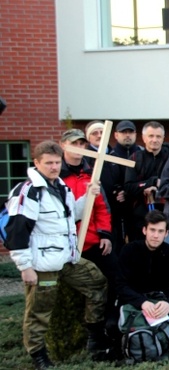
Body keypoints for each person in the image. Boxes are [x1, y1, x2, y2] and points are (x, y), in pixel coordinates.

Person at [4, 141, 109, 369]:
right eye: (49, 163)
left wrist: (87, 197)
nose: (54, 167)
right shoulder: (29, 192)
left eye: (57, 162)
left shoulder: (61, 186)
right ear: (37, 163)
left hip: (67, 259)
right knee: (40, 311)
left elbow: (72, 216)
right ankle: (38, 355)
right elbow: (16, 230)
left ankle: (94, 336)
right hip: (43, 266)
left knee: (96, 282)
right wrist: (25, 267)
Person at [59, 129, 119, 329]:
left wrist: (105, 235)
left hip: (93, 241)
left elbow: (103, 209)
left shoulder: (91, 174)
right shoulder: (57, 177)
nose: (78, 148)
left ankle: (107, 324)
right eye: (73, 143)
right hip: (68, 245)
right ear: (63, 145)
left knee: (114, 277)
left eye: (81, 144)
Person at [116, 210, 169, 353]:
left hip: (160, 303)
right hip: (134, 302)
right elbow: (120, 285)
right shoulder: (129, 250)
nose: (156, 235)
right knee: (112, 323)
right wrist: (142, 302)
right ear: (144, 230)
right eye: (152, 230)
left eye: (160, 231)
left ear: (167, 233)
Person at [124, 121, 169, 241]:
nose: (154, 140)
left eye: (158, 136)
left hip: (166, 216)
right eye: (151, 136)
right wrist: (150, 183)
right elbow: (128, 187)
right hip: (139, 218)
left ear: (163, 138)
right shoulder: (135, 158)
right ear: (144, 138)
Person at [84, 120, 125, 247]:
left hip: (115, 208)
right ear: (89, 137)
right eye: (95, 133)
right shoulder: (85, 158)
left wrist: (123, 191)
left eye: (102, 132)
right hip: (96, 207)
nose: (99, 135)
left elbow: (123, 179)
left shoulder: (115, 155)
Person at [110, 120, 143, 246]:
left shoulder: (141, 153)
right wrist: (118, 191)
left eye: (130, 132)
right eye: (124, 132)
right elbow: (110, 181)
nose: (127, 135)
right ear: (116, 135)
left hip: (139, 205)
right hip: (120, 208)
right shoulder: (111, 156)